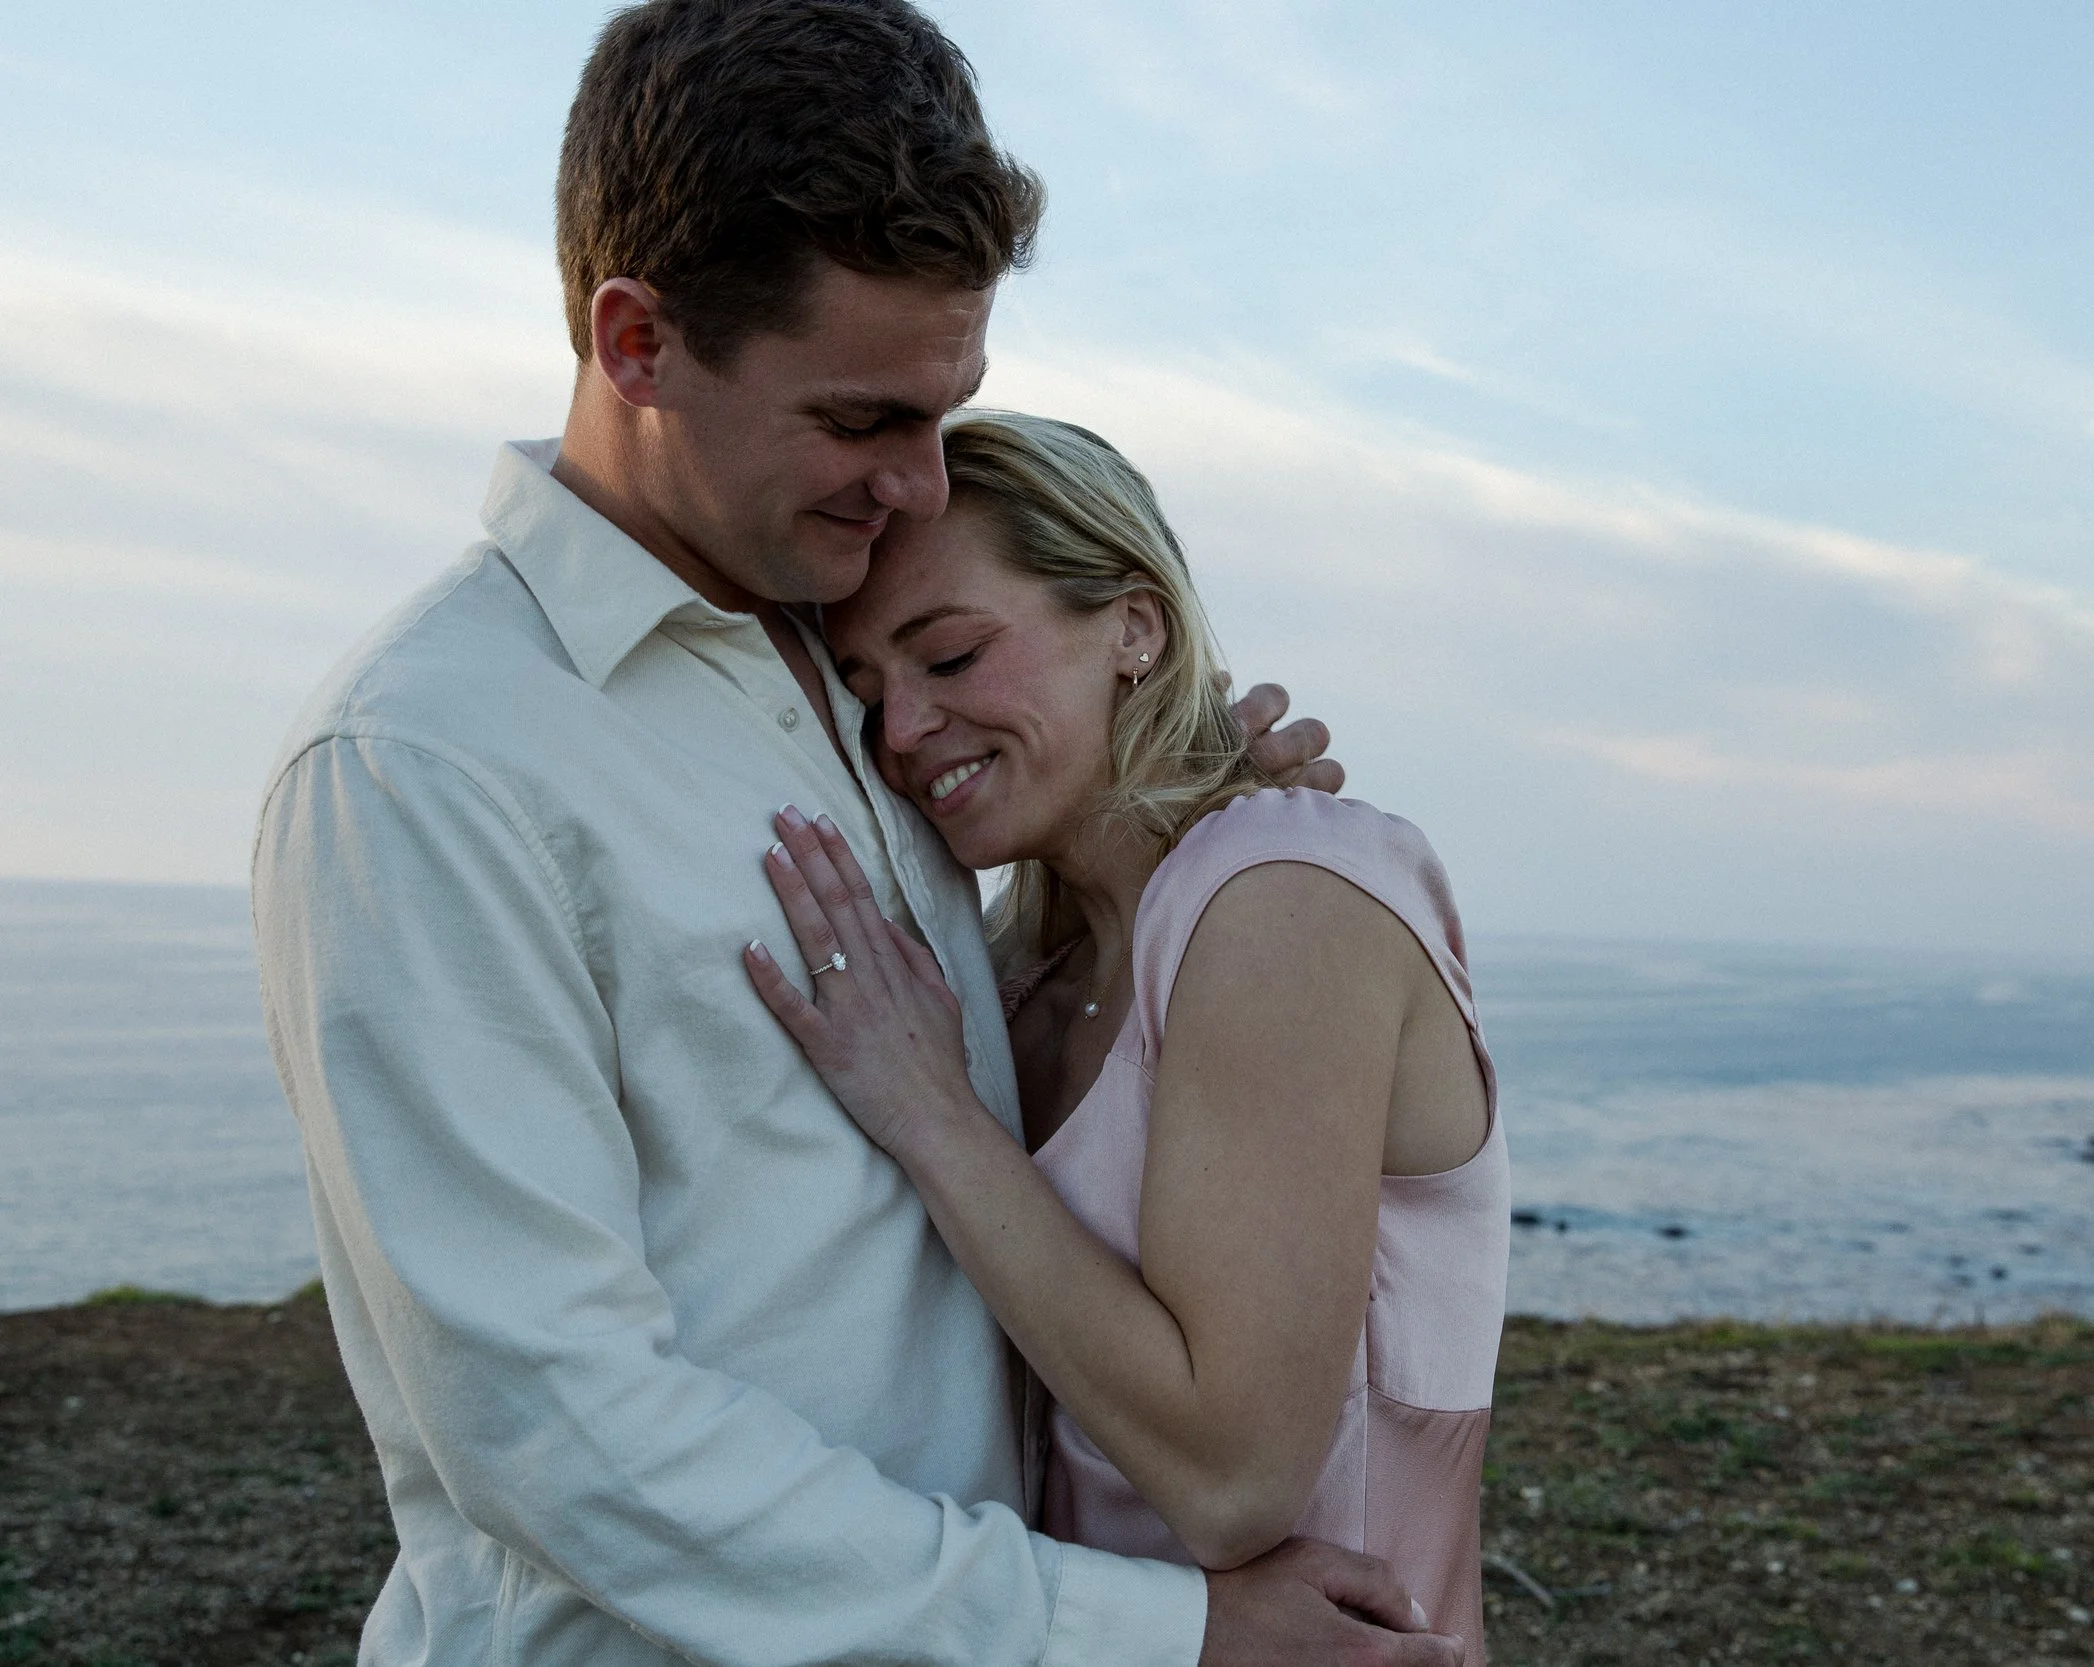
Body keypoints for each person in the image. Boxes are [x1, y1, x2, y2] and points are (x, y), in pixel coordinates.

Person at [252, 1, 1461, 1662]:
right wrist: (1138, 1630)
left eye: (943, 405)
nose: (915, 484)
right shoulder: (427, 761)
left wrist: (1187, 823)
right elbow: (561, 1427)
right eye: (859, 421)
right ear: (636, 343)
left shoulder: (838, 654)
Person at [739, 412, 1511, 1664]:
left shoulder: (1285, 892)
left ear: (1134, 627)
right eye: (867, 691)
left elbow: (1231, 1476)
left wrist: (932, 1111)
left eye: (950, 654)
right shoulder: (1029, 970)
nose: (902, 730)